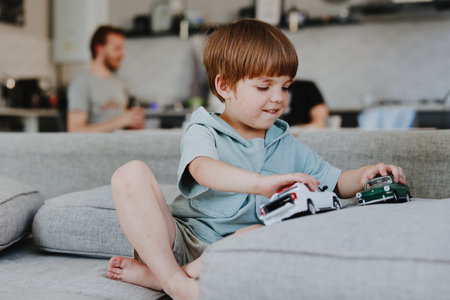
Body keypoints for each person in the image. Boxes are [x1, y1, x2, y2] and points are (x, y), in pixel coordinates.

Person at [106, 19, 406, 300]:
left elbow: (336, 182)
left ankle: (161, 280)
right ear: (225, 87)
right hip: (180, 241)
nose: (278, 98)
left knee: (267, 231)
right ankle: (174, 281)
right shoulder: (204, 128)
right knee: (129, 174)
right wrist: (260, 184)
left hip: (237, 249)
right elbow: (202, 170)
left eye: (285, 87)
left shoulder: (283, 140)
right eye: (264, 87)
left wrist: (367, 174)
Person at [67, 25, 145, 132]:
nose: (123, 54)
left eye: (122, 49)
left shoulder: (121, 81)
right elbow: (75, 130)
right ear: (99, 49)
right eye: (117, 48)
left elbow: (127, 122)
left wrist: (134, 124)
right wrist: (119, 122)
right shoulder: (81, 83)